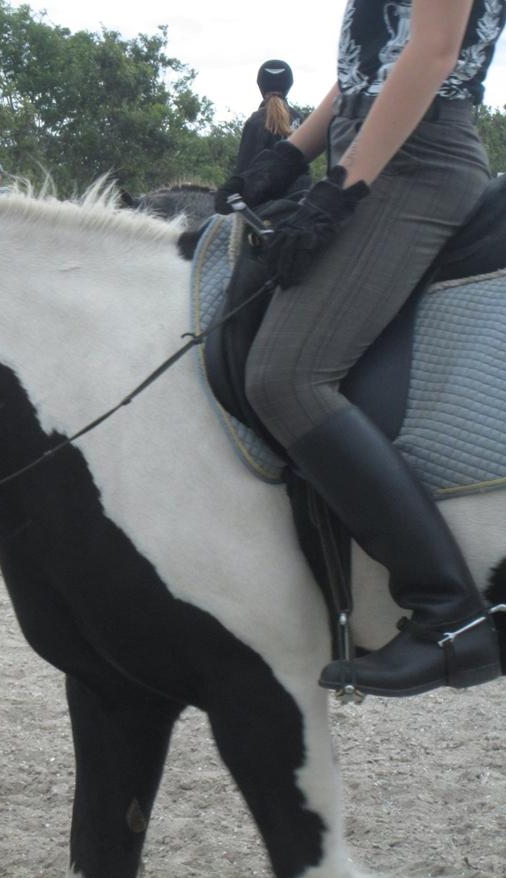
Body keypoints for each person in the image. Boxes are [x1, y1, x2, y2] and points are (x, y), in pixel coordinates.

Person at [215, 0, 505, 698]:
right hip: (369, 149)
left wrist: (340, 193)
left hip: (417, 167)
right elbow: (365, 75)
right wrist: (285, 162)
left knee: (287, 378)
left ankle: (450, 614)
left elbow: (432, 56)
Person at [230, 60, 309, 197]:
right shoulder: (299, 119)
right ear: (289, 85)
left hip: (261, 205)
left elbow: (243, 170)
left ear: (261, 87)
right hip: (299, 201)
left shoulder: (254, 122)